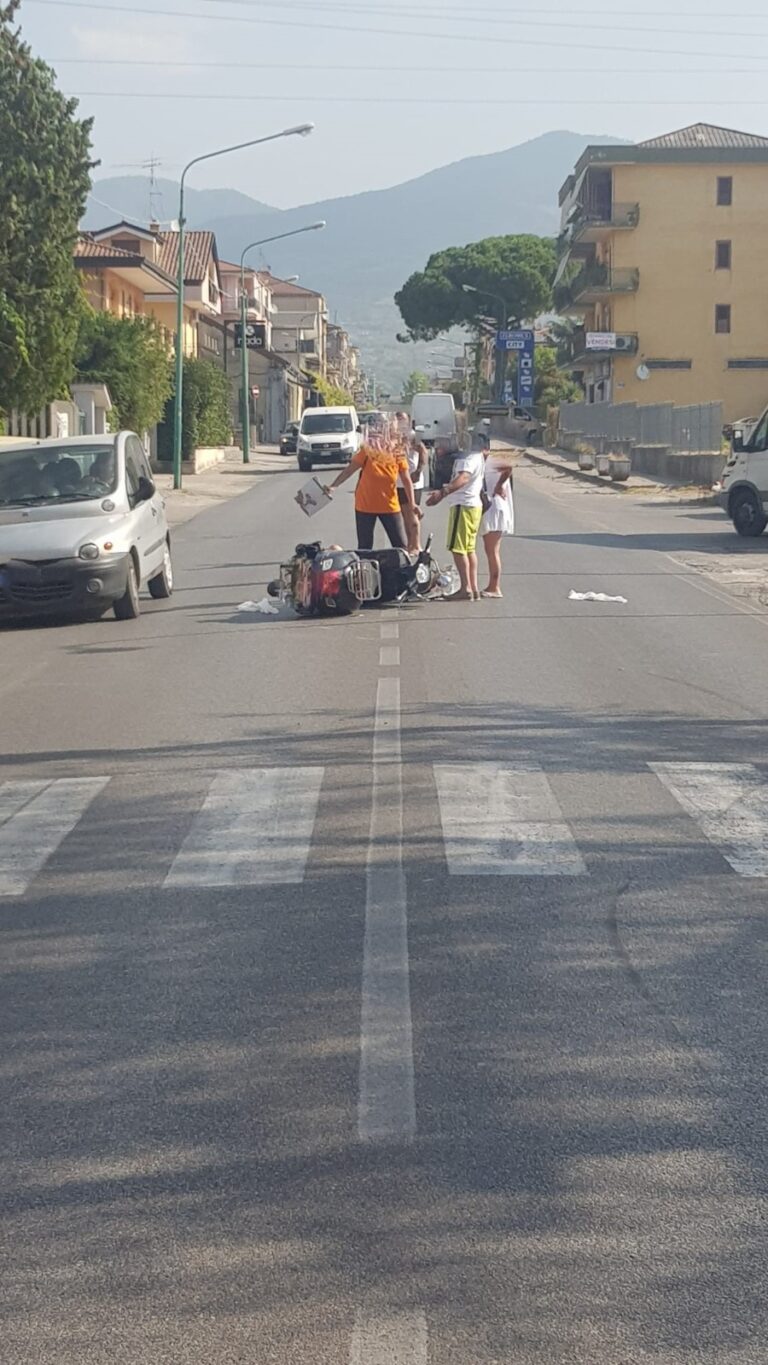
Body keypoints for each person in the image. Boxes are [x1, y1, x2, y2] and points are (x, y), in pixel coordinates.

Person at [323, 423, 421, 551]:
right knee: (364, 548)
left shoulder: (398, 452)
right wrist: (333, 486)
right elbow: (349, 470)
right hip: (365, 505)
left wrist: (412, 504)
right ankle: (367, 570)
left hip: (389, 505)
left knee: (400, 547)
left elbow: (406, 479)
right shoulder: (367, 450)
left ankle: (400, 570)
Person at [426, 444, 485, 601]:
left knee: (458, 549)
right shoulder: (474, 453)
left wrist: (442, 493)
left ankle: (466, 588)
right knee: (469, 549)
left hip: (463, 505)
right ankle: (473, 587)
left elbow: (463, 478)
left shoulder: (467, 457)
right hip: (471, 505)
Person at [480, 447, 517, 598]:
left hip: (496, 508)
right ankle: (492, 585)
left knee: (492, 550)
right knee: (491, 550)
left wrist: (498, 485)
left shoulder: (492, 460)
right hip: (492, 507)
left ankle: (494, 587)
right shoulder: (484, 462)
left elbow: (509, 467)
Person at [397, 430, 428, 553]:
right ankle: (410, 544)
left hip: (413, 481)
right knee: (405, 515)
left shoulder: (412, 435)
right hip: (398, 481)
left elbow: (423, 451)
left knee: (412, 513)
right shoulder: (394, 435)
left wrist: (419, 471)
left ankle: (416, 545)